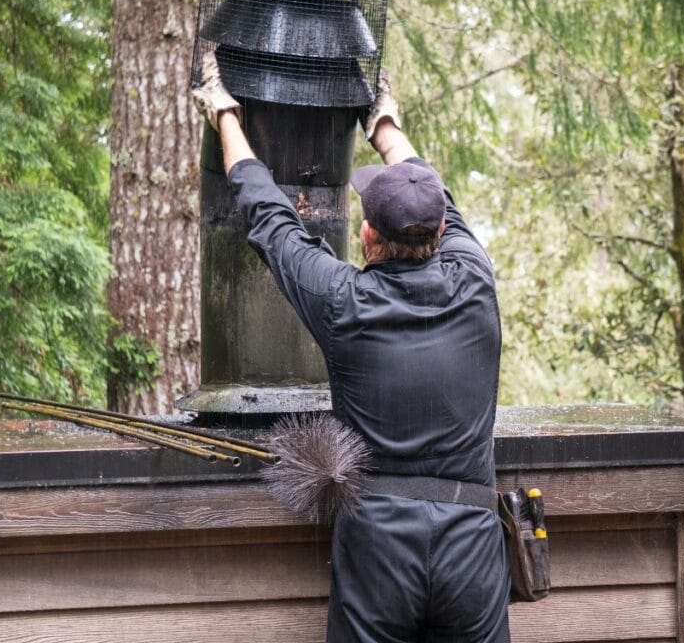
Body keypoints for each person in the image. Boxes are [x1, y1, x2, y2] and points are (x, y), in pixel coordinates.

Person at [193, 56, 510, 643]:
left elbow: (270, 217)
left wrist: (225, 113)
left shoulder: (343, 299)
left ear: (366, 237)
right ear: (442, 233)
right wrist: (383, 122)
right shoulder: (475, 280)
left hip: (379, 541)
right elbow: (431, 186)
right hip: (472, 539)